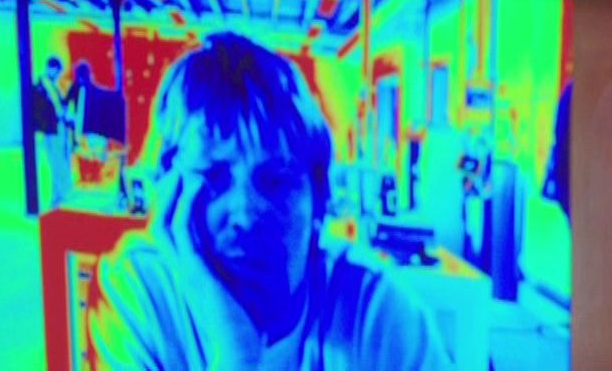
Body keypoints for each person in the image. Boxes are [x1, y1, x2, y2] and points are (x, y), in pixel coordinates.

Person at [87, 32, 453, 370]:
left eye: (276, 180)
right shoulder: (141, 294)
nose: (246, 214)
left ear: (319, 202)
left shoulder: (376, 316)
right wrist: (236, 354)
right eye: (211, 176)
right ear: (169, 195)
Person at [31, 55, 74, 208]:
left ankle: (58, 197)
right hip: (51, 130)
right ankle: (62, 195)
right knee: (57, 163)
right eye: (57, 72)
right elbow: (41, 111)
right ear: (52, 69)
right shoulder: (40, 88)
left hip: (58, 128)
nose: (58, 75)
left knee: (60, 162)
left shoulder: (52, 86)